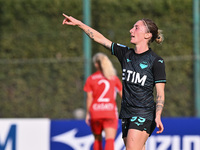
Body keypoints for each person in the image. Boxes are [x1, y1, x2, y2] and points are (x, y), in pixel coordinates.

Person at [62, 13, 166, 150]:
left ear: (147, 35)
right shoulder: (125, 54)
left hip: (144, 113)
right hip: (127, 113)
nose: (131, 30)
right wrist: (79, 24)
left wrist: (158, 115)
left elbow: (160, 93)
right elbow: (100, 39)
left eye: (136, 28)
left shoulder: (156, 61)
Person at [84, 52, 122, 150]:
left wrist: (88, 113)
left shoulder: (91, 79)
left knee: (97, 139)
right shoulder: (113, 78)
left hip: (96, 112)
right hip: (110, 112)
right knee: (110, 140)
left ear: (96, 64)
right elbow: (123, 96)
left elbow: (89, 98)